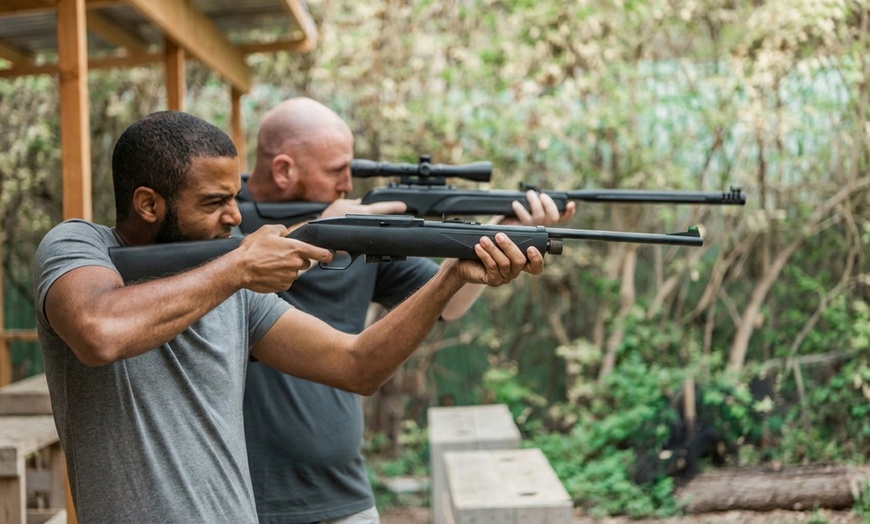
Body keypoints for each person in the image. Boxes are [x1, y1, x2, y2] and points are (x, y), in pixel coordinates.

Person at [33, 110, 546, 524]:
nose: (235, 218)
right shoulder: (80, 245)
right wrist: (237, 268)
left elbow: (356, 365)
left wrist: (450, 278)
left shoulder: (231, 278)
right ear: (148, 203)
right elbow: (98, 332)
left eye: (236, 198)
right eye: (214, 202)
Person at [241, 97, 576, 524]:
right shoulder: (218, 214)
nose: (348, 183)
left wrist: (498, 238)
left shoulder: (354, 229)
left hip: (343, 492)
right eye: (335, 171)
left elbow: (447, 301)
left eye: (352, 168)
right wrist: (312, 235)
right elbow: (212, 276)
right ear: (284, 170)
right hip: (245, 497)